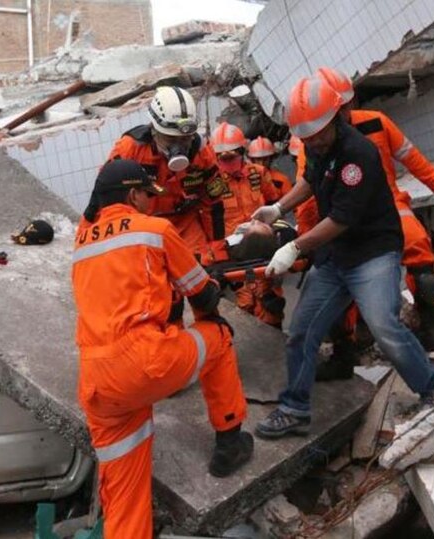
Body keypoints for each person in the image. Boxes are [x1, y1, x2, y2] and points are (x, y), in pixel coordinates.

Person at [251, 77, 434, 438]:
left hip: (372, 252)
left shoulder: (359, 154)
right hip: (336, 256)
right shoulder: (318, 145)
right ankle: (295, 409)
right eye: (305, 137)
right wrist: (277, 207)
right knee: (302, 332)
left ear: (337, 117)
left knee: (384, 325)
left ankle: (432, 387)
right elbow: (310, 180)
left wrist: (295, 247)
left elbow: (341, 219)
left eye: (317, 134)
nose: (312, 141)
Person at [72, 160, 253, 538]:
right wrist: (209, 305)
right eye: (146, 196)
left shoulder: (82, 241)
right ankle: (229, 442)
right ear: (133, 194)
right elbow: (202, 295)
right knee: (218, 336)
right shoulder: (154, 230)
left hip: (97, 386)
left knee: (125, 494)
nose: (150, 203)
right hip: (144, 364)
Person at [295, 67, 434, 381]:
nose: (345, 113)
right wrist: (308, 241)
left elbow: (410, 156)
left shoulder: (375, 122)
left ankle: (430, 323)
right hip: (339, 217)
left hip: (388, 207)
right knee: (332, 279)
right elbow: (307, 192)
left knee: (421, 256)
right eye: (338, 108)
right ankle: (346, 350)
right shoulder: (314, 141)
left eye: (346, 106)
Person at [103, 86, 222, 252]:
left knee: (201, 268)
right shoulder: (130, 149)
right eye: (171, 139)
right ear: (154, 130)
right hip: (142, 227)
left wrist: (217, 246)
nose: (178, 146)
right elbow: (106, 196)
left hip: (184, 225)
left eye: (184, 139)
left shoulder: (201, 152)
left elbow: (214, 202)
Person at [207, 122, 285, 328]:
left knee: (272, 301)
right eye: (221, 158)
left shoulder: (258, 174)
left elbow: (273, 204)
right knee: (246, 302)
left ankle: (276, 343)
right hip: (234, 251)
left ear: (242, 152)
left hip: (262, 244)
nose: (226, 162)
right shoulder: (212, 183)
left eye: (231, 156)